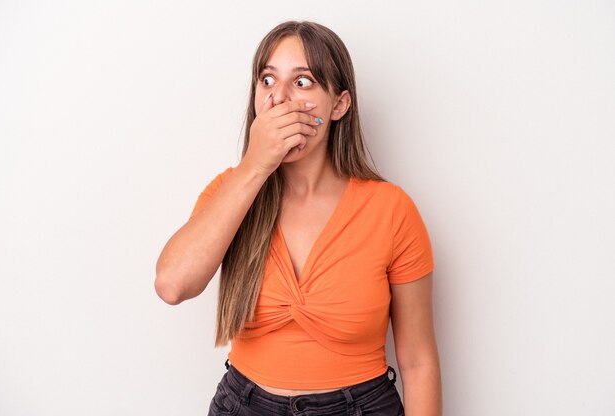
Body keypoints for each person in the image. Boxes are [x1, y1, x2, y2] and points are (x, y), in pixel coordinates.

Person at [155, 20, 441, 416]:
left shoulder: (391, 209)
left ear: (339, 105)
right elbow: (172, 285)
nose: (279, 99)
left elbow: (418, 362)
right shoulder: (231, 190)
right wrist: (255, 166)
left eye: (302, 82)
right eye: (267, 80)